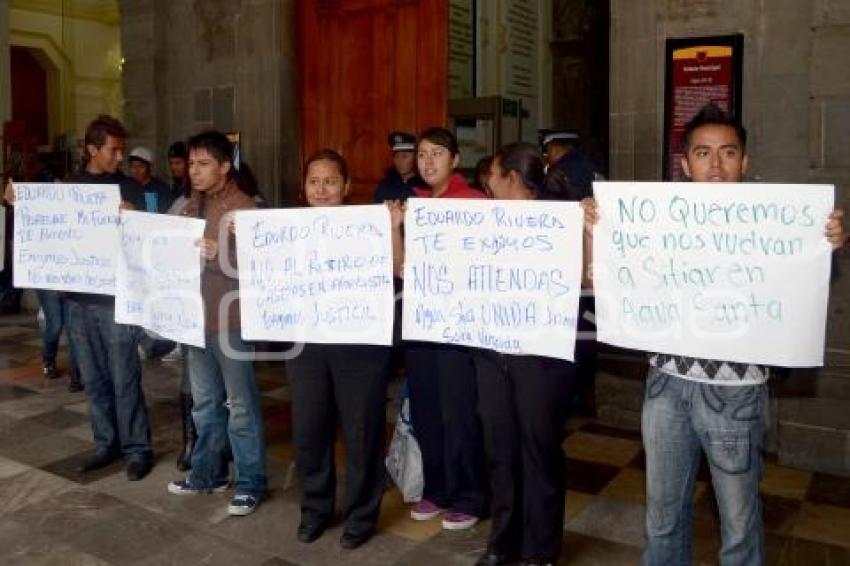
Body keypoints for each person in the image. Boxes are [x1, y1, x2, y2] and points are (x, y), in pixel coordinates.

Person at [585, 104, 846, 565]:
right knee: (662, 516)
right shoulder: (655, 218)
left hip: (737, 393)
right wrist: (596, 232)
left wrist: (827, 238)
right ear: (685, 165)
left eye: (728, 153)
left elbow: (803, 278)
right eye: (703, 154)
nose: (717, 165)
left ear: (745, 162)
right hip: (665, 385)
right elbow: (600, 280)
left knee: (740, 522)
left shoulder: (777, 220)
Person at [473, 142, 585, 566]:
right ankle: (503, 541)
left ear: (512, 180)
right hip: (491, 353)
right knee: (500, 450)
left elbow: (583, 279)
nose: (488, 183)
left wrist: (589, 230)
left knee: (539, 451)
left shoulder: (560, 221)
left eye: (494, 176)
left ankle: (539, 551)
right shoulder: (480, 223)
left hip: (541, 357)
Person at [289, 149, 391, 549]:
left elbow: (395, 270)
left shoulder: (370, 226)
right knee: (310, 430)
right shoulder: (287, 230)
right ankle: (315, 510)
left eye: (330, 181)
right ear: (304, 187)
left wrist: (395, 228)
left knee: (361, 431)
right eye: (314, 181)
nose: (322, 189)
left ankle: (362, 515)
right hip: (307, 344)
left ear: (346, 187)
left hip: (359, 346)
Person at [393, 127, 489, 531]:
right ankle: (438, 488)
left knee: (459, 412)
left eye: (437, 153)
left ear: (455, 160)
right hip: (420, 322)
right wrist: (396, 227)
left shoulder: (476, 203)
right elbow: (399, 269)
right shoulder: (412, 205)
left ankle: (470, 494)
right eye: (421, 155)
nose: (427, 162)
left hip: (459, 328)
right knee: (428, 409)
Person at [167, 130, 267, 516]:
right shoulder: (189, 207)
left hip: (230, 321)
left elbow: (261, 269)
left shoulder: (245, 209)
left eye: (203, 163)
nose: (194, 171)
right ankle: (208, 473)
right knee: (204, 403)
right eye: (191, 163)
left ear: (225, 167)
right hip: (194, 319)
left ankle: (251, 482)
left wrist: (219, 252)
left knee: (240, 405)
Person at [64, 115, 153, 481]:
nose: (120, 157)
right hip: (76, 300)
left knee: (124, 377)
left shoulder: (129, 188)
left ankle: (137, 448)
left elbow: (150, 235)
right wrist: (14, 203)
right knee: (93, 378)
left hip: (116, 299)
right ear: (92, 150)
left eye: (122, 150)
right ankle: (105, 443)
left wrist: (136, 218)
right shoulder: (68, 188)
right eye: (113, 150)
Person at [372, 131, 423, 203]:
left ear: (416, 157)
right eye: (396, 156)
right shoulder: (386, 184)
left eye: (404, 156)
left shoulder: (424, 185)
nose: (399, 161)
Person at [127, 146, 175, 213]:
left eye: (141, 166)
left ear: (150, 167)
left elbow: (153, 214)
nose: (136, 170)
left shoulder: (158, 188)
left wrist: (135, 210)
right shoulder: (126, 186)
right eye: (133, 166)